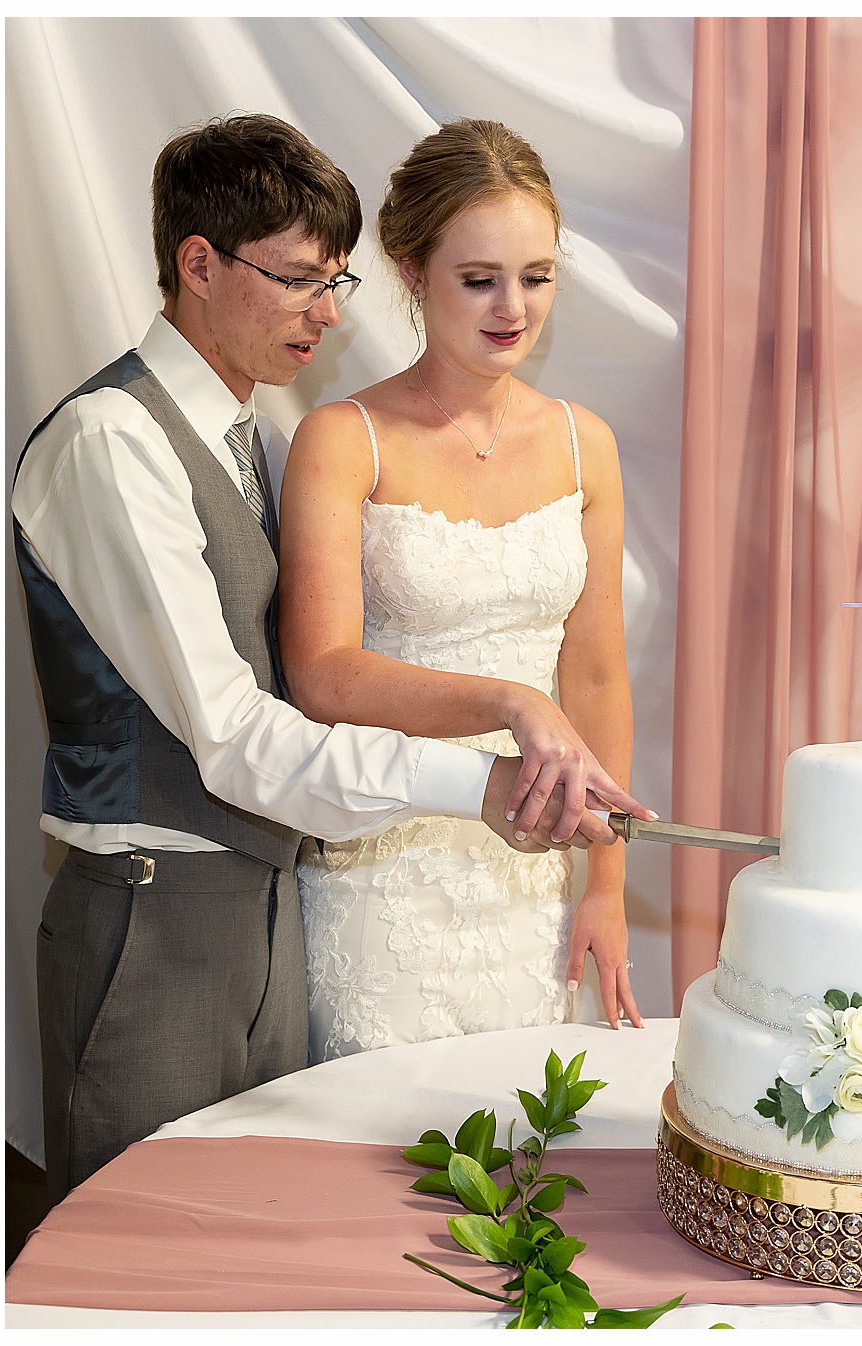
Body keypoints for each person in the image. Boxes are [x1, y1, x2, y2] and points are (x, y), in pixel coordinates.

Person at [12, 114, 643, 1200]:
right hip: (152, 920)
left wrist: (603, 877)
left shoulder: (243, 438)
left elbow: (595, 667)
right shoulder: (113, 440)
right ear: (196, 263)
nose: (323, 311)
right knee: (140, 1265)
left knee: (279, 1255)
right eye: (300, 278)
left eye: (333, 282)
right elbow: (240, 729)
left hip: (269, 914)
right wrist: (482, 767)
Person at [281, 120, 643, 1061]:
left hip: (530, 875)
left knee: (523, 1168)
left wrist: (603, 888)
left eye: (538, 275)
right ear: (411, 270)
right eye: (479, 279)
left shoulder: (583, 443)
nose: (513, 308)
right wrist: (509, 701)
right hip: (383, 861)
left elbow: (596, 673)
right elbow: (322, 674)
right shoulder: (341, 438)